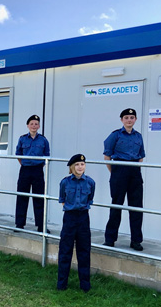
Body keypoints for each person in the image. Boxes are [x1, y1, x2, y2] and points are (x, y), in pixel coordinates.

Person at [102, 108, 145, 251]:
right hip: (119, 170)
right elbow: (107, 157)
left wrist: (135, 170)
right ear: (121, 120)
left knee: (136, 207)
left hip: (134, 171)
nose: (129, 120)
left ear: (135, 120)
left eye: (132, 117)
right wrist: (115, 172)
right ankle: (110, 239)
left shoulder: (138, 136)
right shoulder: (115, 135)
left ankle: (136, 240)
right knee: (117, 205)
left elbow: (141, 156)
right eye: (126, 117)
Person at [57, 154, 96, 293]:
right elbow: (62, 199)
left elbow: (90, 199)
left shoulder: (90, 182)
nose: (80, 167)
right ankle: (61, 284)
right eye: (77, 165)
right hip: (69, 218)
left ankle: (85, 285)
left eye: (83, 164)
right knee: (65, 251)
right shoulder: (65, 182)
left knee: (84, 251)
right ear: (72, 167)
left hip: (84, 218)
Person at [15, 115, 51, 232]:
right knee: (22, 197)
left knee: (39, 198)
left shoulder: (43, 140)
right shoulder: (22, 139)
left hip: (38, 170)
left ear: (39, 126)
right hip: (25, 170)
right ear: (27, 126)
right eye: (32, 124)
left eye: (36, 124)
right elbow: (18, 154)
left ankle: (41, 226)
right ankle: (19, 224)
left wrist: (38, 164)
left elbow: (47, 155)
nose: (34, 126)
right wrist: (25, 163)